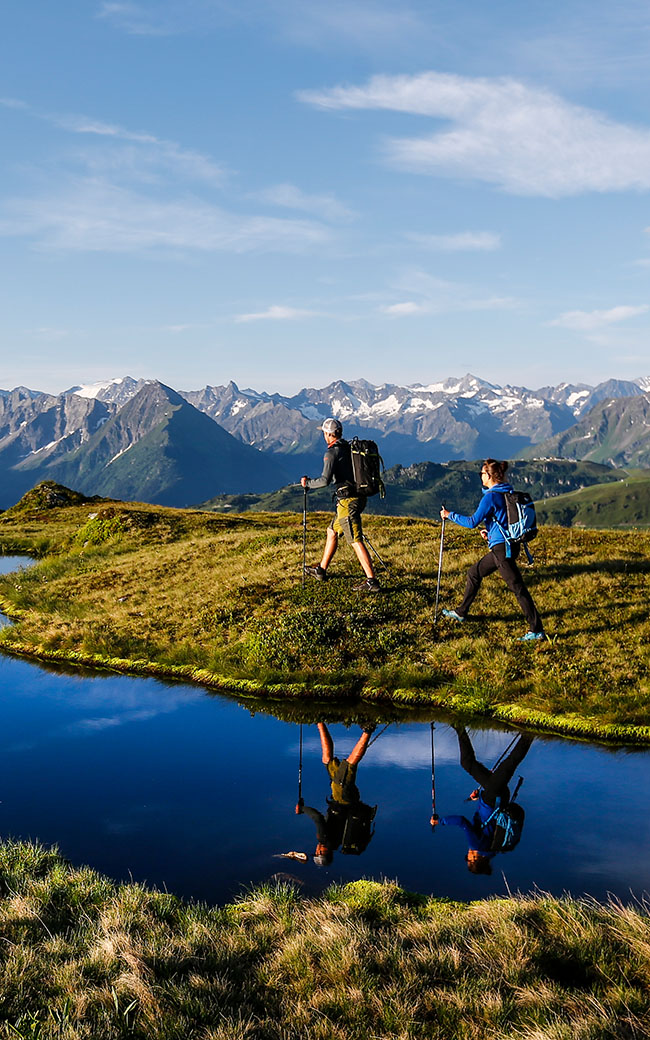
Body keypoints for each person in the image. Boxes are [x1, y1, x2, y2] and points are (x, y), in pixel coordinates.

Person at [440, 458, 545, 641]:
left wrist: (449, 515)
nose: (480, 477)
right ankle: (461, 612)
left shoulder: (490, 496)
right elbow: (504, 520)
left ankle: (536, 630)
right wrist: (490, 532)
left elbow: (472, 522)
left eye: (482, 473)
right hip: (507, 546)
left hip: (502, 551)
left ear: (488, 475)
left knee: (518, 588)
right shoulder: (507, 492)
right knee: (474, 572)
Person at [432, 726, 532, 874]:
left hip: (500, 797)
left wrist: (479, 798)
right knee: (503, 765)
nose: (467, 855)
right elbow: (461, 822)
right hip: (493, 795)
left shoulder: (495, 849)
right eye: (468, 858)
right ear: (474, 859)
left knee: (479, 765)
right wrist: (439, 822)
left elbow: (488, 822)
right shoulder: (477, 845)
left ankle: (528, 735)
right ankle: (530, 734)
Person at [301, 418, 380, 593]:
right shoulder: (349, 448)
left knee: (355, 539)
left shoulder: (331, 453)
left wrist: (307, 484)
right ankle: (321, 570)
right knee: (332, 531)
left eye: (324, 433)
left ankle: (372, 581)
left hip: (347, 502)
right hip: (359, 497)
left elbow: (324, 480)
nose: (323, 435)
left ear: (329, 434)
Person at [295, 722, 377, 864]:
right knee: (350, 765)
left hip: (345, 800)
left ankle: (319, 721)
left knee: (328, 761)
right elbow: (317, 818)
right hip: (342, 797)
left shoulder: (336, 843)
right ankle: (368, 730)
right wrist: (302, 809)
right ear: (322, 853)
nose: (316, 850)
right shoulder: (324, 839)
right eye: (317, 853)